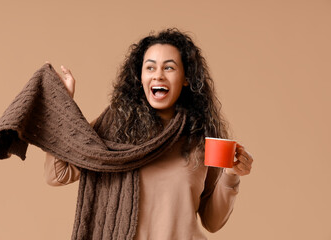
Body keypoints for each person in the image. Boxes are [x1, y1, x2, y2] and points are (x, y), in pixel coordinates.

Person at [44, 28, 253, 239]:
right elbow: (58, 174)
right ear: (140, 77)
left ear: (186, 78)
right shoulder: (114, 127)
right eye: (150, 67)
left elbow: (212, 221)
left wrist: (231, 175)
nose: (158, 75)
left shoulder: (201, 135)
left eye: (169, 68)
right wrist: (63, 106)